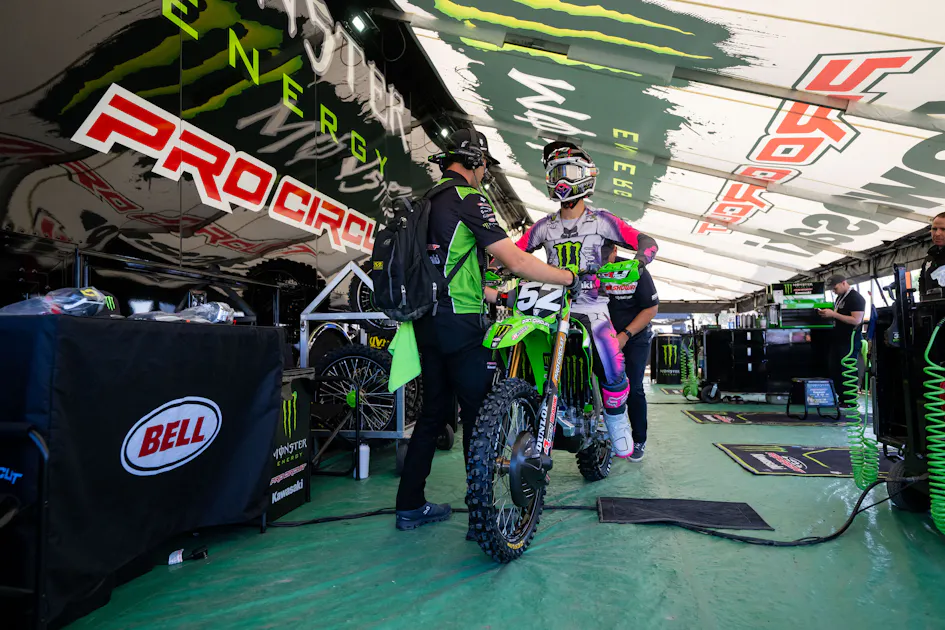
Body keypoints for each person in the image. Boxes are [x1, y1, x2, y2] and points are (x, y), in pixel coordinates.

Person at [395, 129, 580, 532]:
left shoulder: (427, 201)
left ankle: (409, 505)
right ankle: (483, 516)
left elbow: (452, 269)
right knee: (481, 417)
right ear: (475, 162)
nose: (485, 175)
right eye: (484, 167)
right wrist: (567, 276)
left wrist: (497, 294)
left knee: (432, 414)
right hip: (461, 322)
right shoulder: (468, 199)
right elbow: (516, 261)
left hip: (426, 320)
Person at [516, 141, 658, 459]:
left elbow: (645, 241)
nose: (561, 179)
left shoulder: (602, 220)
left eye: (567, 171)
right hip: (551, 305)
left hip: (592, 307)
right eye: (555, 173)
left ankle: (616, 419)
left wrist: (639, 262)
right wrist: (492, 268)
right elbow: (514, 253)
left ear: (586, 175)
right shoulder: (544, 226)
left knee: (611, 361)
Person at [602, 240, 659, 461]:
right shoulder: (586, 270)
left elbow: (651, 308)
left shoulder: (635, 270)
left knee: (633, 387)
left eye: (605, 256)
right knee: (602, 387)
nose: (601, 262)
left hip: (635, 336)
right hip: (602, 337)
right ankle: (607, 437)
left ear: (615, 250)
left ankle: (638, 439)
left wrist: (625, 335)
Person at [818, 274, 865, 407]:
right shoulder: (840, 297)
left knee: (847, 368)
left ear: (844, 283)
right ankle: (842, 397)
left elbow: (856, 320)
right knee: (835, 368)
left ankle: (850, 400)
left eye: (835, 288)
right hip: (838, 338)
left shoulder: (855, 298)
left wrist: (833, 314)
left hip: (850, 339)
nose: (834, 291)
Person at [919, 212, 945, 300]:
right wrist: (923, 301)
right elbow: (922, 280)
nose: (937, 233)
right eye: (934, 229)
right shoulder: (930, 254)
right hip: (931, 305)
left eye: (943, 229)